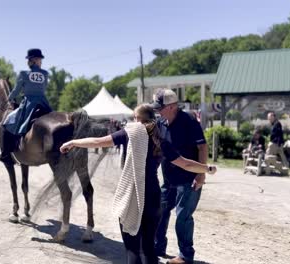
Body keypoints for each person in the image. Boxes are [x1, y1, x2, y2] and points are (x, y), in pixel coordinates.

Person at [60, 104, 216, 264]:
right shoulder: (160, 140)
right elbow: (186, 164)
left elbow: (97, 141)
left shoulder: (129, 134)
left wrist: (73, 142)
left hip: (132, 196)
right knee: (148, 249)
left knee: (133, 250)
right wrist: (206, 168)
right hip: (153, 197)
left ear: (137, 119)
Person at [152, 89, 208, 264]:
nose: (157, 111)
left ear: (172, 106)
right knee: (160, 210)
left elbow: (203, 148)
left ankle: (185, 256)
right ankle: (157, 246)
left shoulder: (189, 121)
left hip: (188, 178)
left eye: (160, 107)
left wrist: (201, 175)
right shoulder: (161, 123)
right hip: (168, 179)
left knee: (183, 216)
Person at [0, 48, 52, 161]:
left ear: (31, 61)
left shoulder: (23, 74)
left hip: (29, 104)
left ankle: (6, 153)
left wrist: (9, 99)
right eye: (40, 60)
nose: (41, 62)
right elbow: (44, 88)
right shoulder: (45, 74)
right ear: (36, 60)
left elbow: (16, 91)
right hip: (44, 103)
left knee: (7, 121)